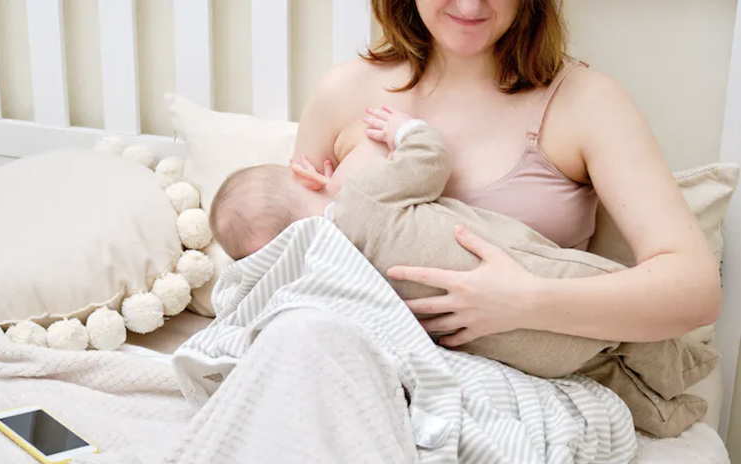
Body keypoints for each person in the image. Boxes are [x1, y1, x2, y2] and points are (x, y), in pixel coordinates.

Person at [194, 1, 721, 455]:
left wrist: (526, 301)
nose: (470, 5)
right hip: (361, 364)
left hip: (510, 375)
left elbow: (693, 291)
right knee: (302, 331)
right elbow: (295, 265)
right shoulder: (345, 90)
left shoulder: (585, 100)